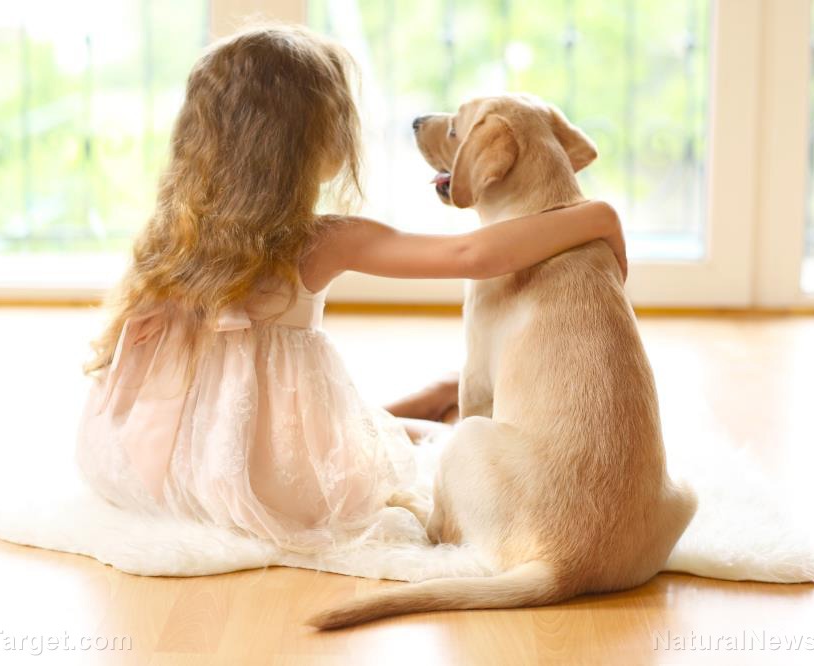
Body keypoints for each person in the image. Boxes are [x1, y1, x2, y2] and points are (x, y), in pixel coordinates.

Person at [76, 24, 627, 553]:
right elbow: (472, 256)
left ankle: (435, 399)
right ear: (317, 141)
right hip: (268, 474)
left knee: (367, 430)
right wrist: (598, 217)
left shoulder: (175, 234)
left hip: (164, 457)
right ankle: (437, 403)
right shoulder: (324, 241)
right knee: (382, 450)